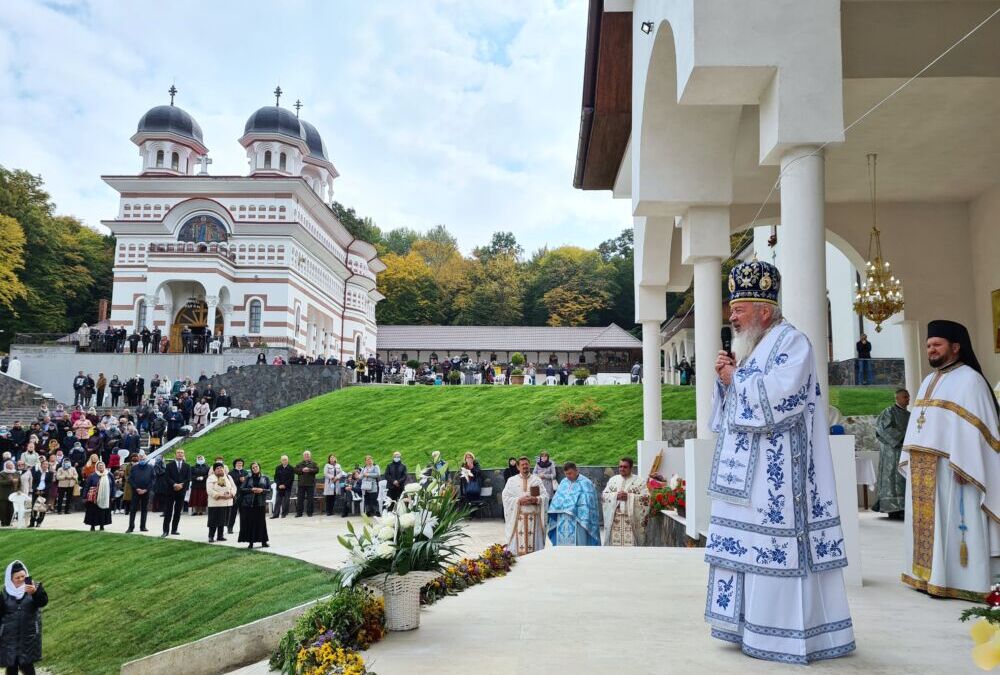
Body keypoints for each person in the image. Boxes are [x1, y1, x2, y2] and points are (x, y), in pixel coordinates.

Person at [707, 260, 854, 663]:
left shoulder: (793, 342)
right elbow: (729, 411)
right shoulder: (752, 348)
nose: (732, 317)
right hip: (744, 480)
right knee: (745, 547)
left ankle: (782, 636)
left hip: (779, 481)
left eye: (739, 310)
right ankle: (746, 626)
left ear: (764, 311)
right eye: (732, 310)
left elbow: (780, 400)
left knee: (773, 548)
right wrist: (725, 384)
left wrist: (733, 380)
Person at [900, 319, 999, 601]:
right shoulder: (929, 380)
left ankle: (958, 581)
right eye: (929, 345)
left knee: (955, 525)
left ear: (955, 347)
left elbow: (979, 431)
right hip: (924, 468)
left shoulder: (971, 379)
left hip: (954, 468)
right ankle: (927, 577)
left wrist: (967, 464)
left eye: (937, 345)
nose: (931, 350)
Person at [1, 560, 48, 675]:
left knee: (27, 665)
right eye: (17, 578)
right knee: (12, 665)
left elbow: (43, 602)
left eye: (23, 576)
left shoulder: (35, 587)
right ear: (10, 579)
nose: (21, 579)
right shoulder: (4, 593)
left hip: (29, 634)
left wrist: (34, 593)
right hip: (9, 636)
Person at [872, 388, 910, 519]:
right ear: (897, 398)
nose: (908, 399)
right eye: (905, 397)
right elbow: (883, 429)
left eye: (908, 397)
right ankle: (892, 509)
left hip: (905, 452)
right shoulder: (888, 412)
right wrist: (902, 437)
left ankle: (903, 507)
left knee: (903, 478)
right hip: (891, 453)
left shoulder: (910, 415)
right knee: (892, 478)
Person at [501, 456, 548, 556]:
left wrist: (536, 499)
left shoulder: (537, 480)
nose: (525, 466)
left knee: (535, 553)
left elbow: (545, 496)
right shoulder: (511, 481)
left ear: (529, 465)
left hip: (534, 520)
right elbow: (505, 498)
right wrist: (519, 500)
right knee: (518, 553)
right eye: (522, 465)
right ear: (518, 467)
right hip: (518, 520)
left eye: (526, 464)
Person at [546, 462, 600, 546]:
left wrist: (573, 509)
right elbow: (557, 499)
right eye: (566, 474)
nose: (568, 476)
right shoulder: (564, 482)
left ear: (576, 471)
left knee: (580, 543)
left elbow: (589, 502)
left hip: (579, 519)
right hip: (563, 519)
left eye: (570, 473)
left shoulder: (586, 483)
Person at [601, 457, 648, 546]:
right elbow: (604, 496)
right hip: (615, 519)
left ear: (631, 468)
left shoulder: (640, 481)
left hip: (631, 520)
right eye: (620, 466)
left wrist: (629, 497)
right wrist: (615, 496)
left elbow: (646, 498)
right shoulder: (613, 480)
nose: (622, 469)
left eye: (625, 467)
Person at [238, 462, 270, 549]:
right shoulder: (248, 478)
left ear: (259, 467)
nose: (255, 468)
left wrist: (262, 490)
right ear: (251, 469)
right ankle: (251, 543)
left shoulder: (265, 477)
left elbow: (269, 489)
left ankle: (264, 541)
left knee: (261, 522)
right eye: (253, 467)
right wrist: (251, 489)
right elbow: (242, 489)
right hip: (250, 504)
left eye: (256, 467)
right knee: (251, 523)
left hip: (260, 503)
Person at [161, 449, 191, 537]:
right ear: (175, 454)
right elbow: (167, 477)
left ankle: (174, 529)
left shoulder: (187, 466)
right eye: (178, 453)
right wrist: (174, 484)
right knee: (168, 511)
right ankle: (165, 531)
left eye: (182, 453)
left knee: (178, 511)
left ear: (184, 455)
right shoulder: (169, 465)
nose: (180, 454)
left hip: (181, 492)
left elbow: (188, 478)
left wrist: (181, 485)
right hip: (171, 491)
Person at [206, 462, 237, 542]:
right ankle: (211, 536)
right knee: (213, 521)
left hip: (227, 503)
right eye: (217, 468)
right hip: (215, 504)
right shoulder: (211, 478)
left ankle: (220, 536)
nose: (220, 469)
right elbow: (210, 490)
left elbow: (234, 487)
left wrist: (232, 494)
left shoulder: (228, 477)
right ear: (214, 470)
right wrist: (221, 496)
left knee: (223, 520)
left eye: (221, 468)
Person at [126, 451, 153, 532]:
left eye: (143, 457)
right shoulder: (134, 468)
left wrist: (146, 489)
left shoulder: (150, 467)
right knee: (133, 509)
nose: (142, 459)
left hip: (146, 492)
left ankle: (143, 526)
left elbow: (153, 479)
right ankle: (131, 527)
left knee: (144, 509)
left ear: (146, 458)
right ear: (138, 458)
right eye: (140, 457)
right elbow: (131, 479)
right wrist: (136, 488)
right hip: (136, 492)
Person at [83, 461, 113, 531]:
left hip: (105, 496)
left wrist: (112, 495)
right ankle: (92, 526)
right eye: (99, 466)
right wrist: (85, 496)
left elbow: (113, 486)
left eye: (102, 465)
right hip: (94, 497)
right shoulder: (92, 475)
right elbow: (87, 486)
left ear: (104, 466)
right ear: (97, 467)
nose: (101, 467)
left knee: (103, 512)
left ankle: (102, 526)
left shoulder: (109, 474)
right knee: (93, 511)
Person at [294, 451, 319, 517]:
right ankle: (299, 513)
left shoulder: (314, 463)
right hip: (301, 484)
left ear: (310, 456)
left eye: (307, 455)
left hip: (310, 484)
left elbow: (317, 470)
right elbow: (295, 470)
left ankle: (310, 513)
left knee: (310, 499)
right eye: (305, 455)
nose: (306, 456)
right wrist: (302, 470)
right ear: (303, 456)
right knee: (300, 499)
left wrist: (309, 470)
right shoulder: (299, 464)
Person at [227, 459, 249, 534]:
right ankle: (230, 528)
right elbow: (230, 484)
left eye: (241, 463)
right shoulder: (231, 473)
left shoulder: (245, 472)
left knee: (244, 513)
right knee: (233, 512)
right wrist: (239, 480)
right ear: (235, 464)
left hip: (244, 495)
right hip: (235, 495)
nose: (240, 464)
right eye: (238, 463)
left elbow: (248, 482)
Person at [0, 462, 19, 527]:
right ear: (5, 466)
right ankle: (3, 522)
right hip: (3, 493)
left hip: (13, 493)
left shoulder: (16, 473)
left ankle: (10, 522)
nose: (10, 466)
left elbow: (19, 482)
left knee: (12, 509)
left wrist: (18, 489)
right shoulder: (2, 473)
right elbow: (1, 482)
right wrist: (11, 481)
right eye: (8, 465)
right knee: (3, 509)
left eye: (11, 465)